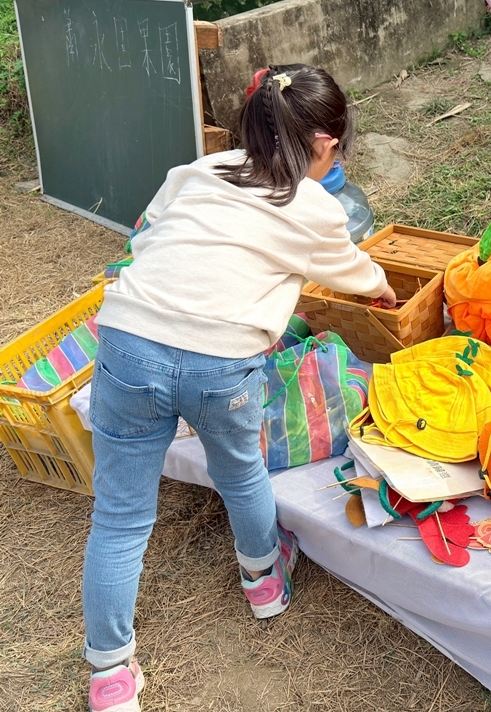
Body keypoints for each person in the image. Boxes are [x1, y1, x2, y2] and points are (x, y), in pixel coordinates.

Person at [83, 64, 395, 712]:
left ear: (247, 123)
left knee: (118, 520)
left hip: (128, 344)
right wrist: (385, 290)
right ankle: (264, 584)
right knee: (242, 474)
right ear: (326, 146)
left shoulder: (192, 174)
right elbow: (359, 276)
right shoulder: (314, 206)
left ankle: (110, 677)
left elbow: (145, 240)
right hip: (220, 365)